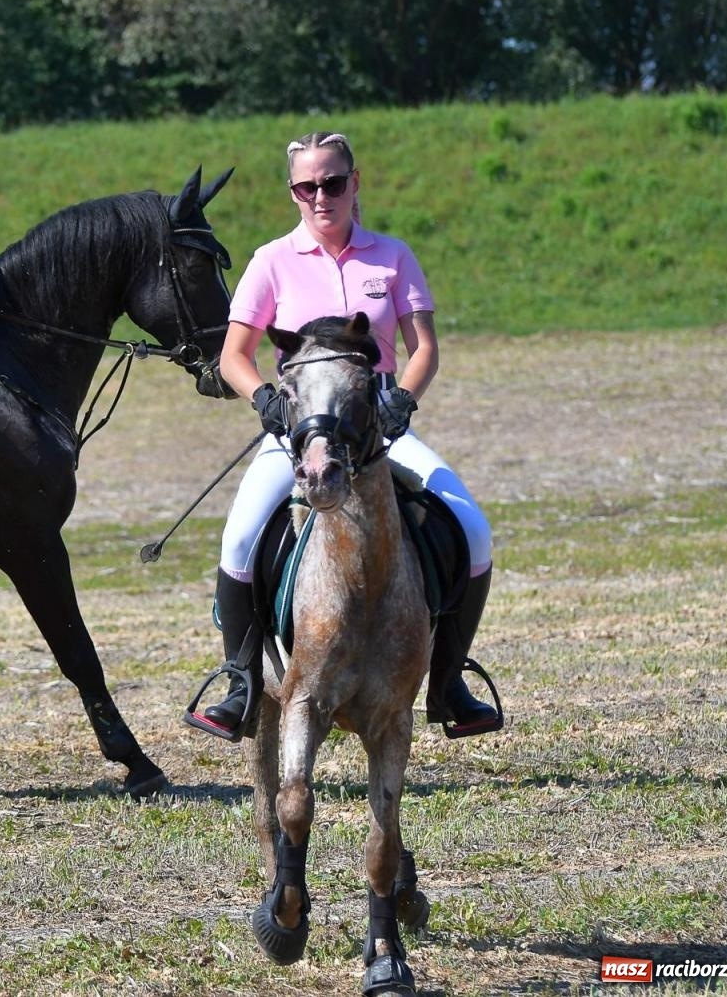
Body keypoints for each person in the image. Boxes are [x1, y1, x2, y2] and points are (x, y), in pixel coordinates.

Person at [187, 130, 501, 741]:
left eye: (332, 183)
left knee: (474, 528)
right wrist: (265, 400)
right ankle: (241, 682)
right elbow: (233, 355)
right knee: (240, 537)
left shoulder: (393, 256)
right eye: (307, 187)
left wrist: (403, 399)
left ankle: (448, 681)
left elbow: (424, 347)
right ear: (294, 193)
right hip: (301, 431)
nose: (320, 196)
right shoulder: (270, 260)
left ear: (355, 183)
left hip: (379, 425)